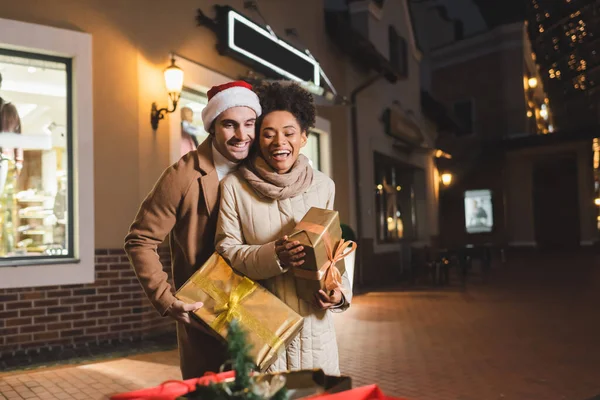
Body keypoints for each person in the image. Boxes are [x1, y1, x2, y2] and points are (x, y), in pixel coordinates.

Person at [124, 81, 261, 379]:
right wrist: (166, 299)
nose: (242, 135)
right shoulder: (182, 175)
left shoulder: (262, 165)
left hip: (266, 312)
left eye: (249, 124)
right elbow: (140, 240)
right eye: (230, 124)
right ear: (213, 126)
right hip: (208, 315)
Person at [215, 81, 351, 375]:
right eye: (268, 133)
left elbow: (334, 252)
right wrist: (274, 255)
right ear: (257, 140)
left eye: (289, 133)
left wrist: (339, 295)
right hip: (263, 330)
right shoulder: (233, 188)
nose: (279, 142)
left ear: (303, 137)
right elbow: (226, 252)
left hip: (316, 331)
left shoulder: (323, 186)